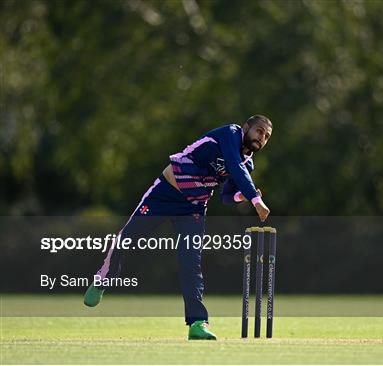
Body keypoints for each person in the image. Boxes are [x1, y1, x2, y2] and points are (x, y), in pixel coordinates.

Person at [83, 115, 273, 340]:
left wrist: (244, 196)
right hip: (164, 194)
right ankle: (103, 279)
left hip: (193, 208)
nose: (261, 138)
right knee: (127, 238)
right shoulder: (230, 133)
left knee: (190, 262)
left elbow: (227, 196)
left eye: (267, 136)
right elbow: (232, 163)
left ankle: (197, 323)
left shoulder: (247, 164)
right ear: (246, 127)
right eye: (259, 131)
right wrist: (255, 200)